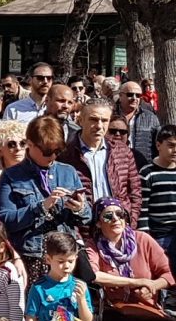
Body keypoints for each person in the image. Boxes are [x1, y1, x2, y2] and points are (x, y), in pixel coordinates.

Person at [0, 116, 91, 283]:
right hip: (31, 257)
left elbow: (87, 217)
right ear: (30, 144)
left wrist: (79, 208)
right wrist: (41, 207)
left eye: (57, 151)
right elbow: (5, 220)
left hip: (65, 256)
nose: (52, 156)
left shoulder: (68, 171)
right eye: (47, 151)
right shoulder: (11, 176)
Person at [59, 98, 141, 227]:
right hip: (84, 230)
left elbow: (135, 191)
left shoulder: (122, 152)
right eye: (93, 119)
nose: (99, 126)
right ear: (80, 120)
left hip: (118, 227)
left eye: (104, 120)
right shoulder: (66, 154)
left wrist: (130, 221)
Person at [139, 125, 176, 271]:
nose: (175, 150)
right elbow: (143, 208)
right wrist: (145, 236)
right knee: (162, 271)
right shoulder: (148, 173)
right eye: (171, 146)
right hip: (159, 233)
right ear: (158, 145)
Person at [118, 79, 160, 162]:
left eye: (138, 95)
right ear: (120, 96)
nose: (134, 98)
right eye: (130, 94)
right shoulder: (111, 116)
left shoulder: (151, 118)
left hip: (142, 166)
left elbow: (158, 145)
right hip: (117, 164)